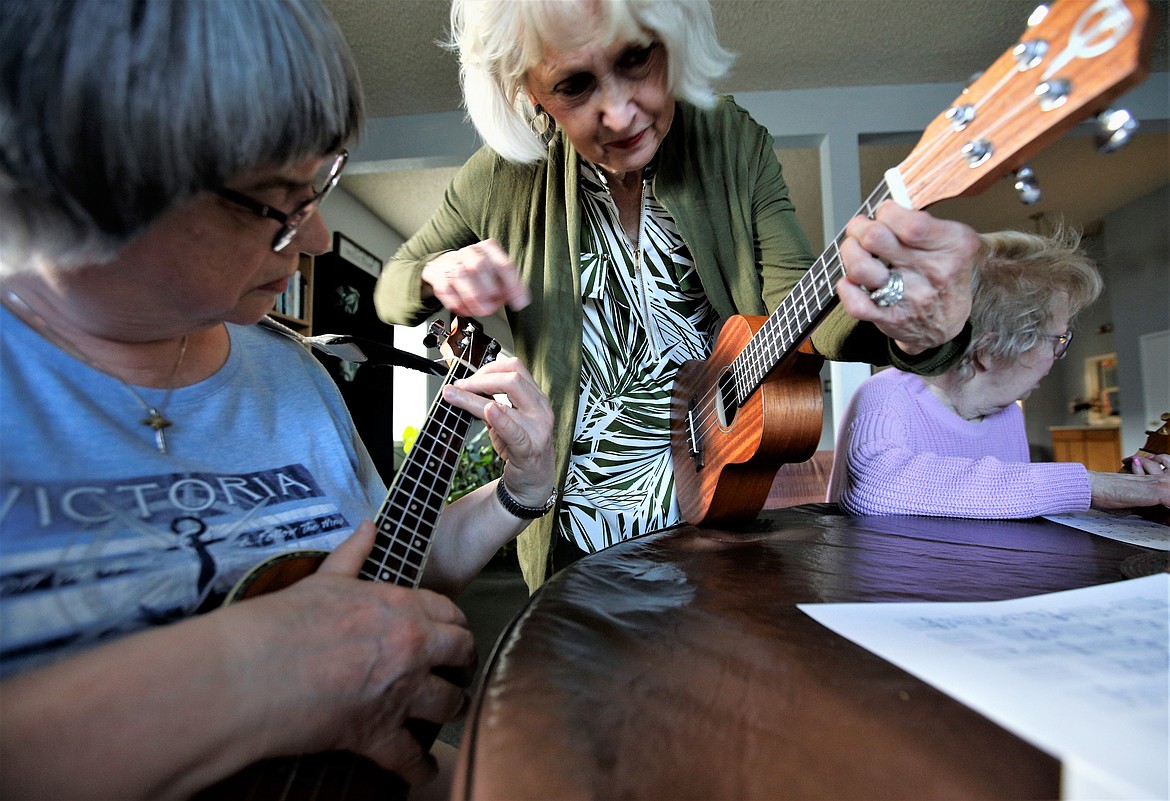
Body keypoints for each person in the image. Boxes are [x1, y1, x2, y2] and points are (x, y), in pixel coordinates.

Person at [0, 1, 555, 798]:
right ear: (86, 190)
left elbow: (374, 575)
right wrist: (248, 677)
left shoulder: (291, 373)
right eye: (279, 202)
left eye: (320, 184)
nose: (321, 238)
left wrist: (519, 491)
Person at [374, 0, 982, 590]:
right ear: (530, 93)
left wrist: (916, 329)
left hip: (717, 513)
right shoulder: (498, 179)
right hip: (572, 544)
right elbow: (391, 292)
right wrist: (438, 273)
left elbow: (804, 309)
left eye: (637, 59)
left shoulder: (730, 141)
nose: (618, 113)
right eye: (575, 86)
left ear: (672, 43)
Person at [826, 229, 1170, 517]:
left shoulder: (1006, 415)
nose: (1057, 356)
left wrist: (1134, 495)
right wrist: (1091, 486)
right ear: (989, 349)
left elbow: (1002, 507)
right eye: (1057, 340)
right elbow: (875, 486)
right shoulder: (889, 395)